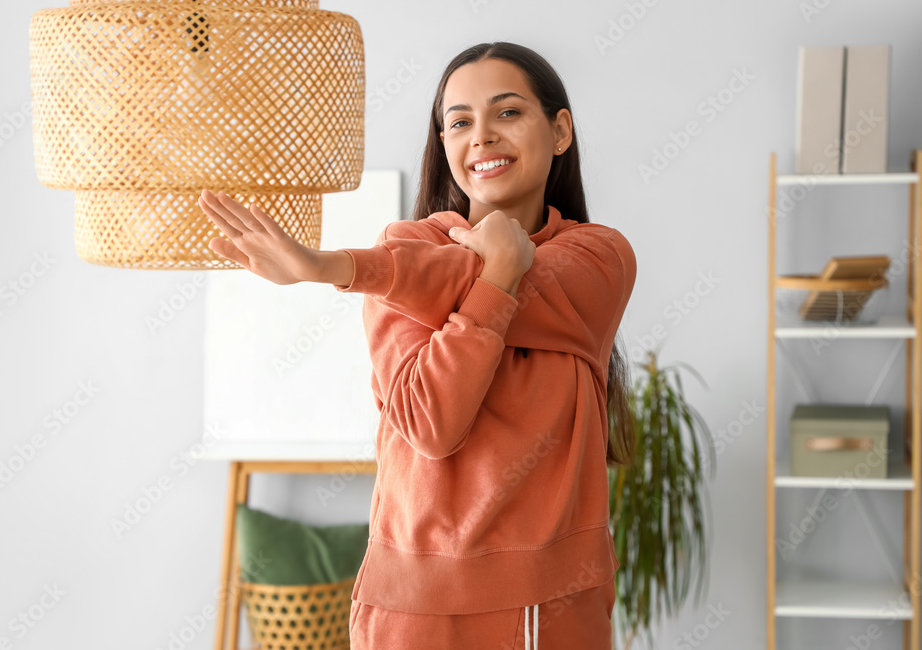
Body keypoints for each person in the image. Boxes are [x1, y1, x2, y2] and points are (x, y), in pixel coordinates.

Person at [198, 41, 637, 650]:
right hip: (408, 611)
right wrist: (496, 275)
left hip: (551, 602)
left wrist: (338, 267)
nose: (481, 136)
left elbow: (442, 275)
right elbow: (432, 423)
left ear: (559, 130)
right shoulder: (400, 248)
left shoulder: (598, 258)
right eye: (459, 122)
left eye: (507, 112)